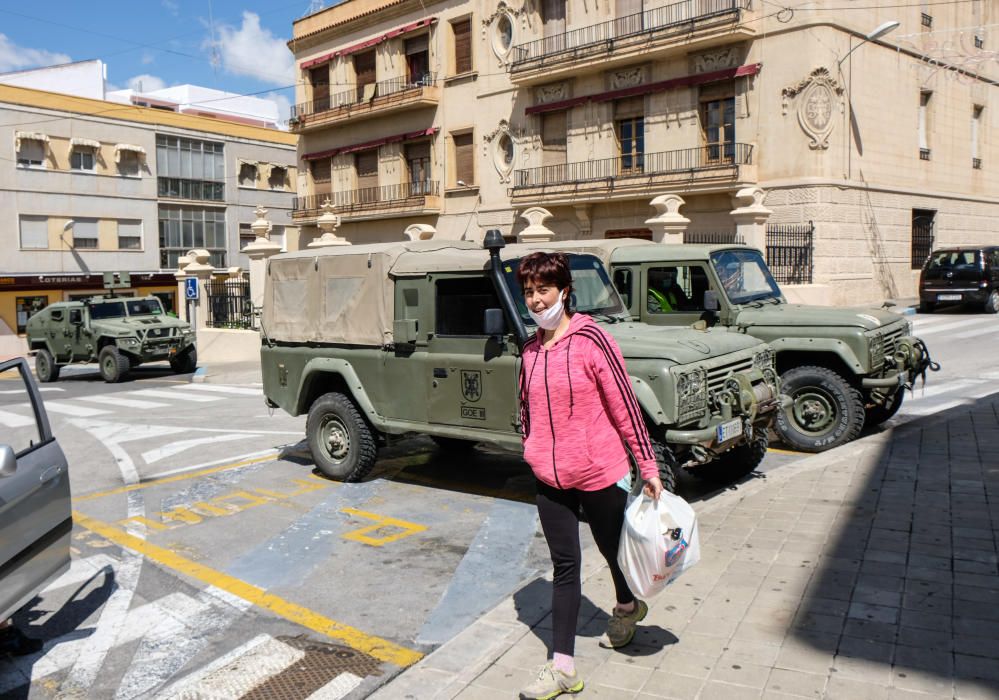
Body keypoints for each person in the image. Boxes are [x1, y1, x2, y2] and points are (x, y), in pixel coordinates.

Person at [516, 251, 664, 700]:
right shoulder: (528, 350)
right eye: (529, 292)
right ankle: (562, 667)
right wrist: (531, 447)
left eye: (544, 290)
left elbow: (625, 407)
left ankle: (626, 603)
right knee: (566, 565)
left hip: (600, 469)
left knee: (611, 546)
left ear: (564, 291)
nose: (537, 300)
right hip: (549, 476)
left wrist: (649, 466)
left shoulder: (592, 341)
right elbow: (524, 409)